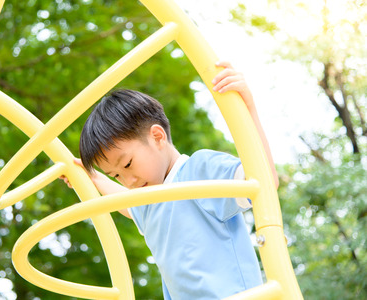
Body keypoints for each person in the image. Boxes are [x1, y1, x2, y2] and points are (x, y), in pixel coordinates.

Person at [61, 61, 278, 299]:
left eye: (127, 164)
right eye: (116, 175)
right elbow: (126, 204)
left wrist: (248, 111)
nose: (128, 181)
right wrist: (92, 178)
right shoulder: (148, 200)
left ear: (157, 137)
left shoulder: (199, 171)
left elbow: (264, 181)